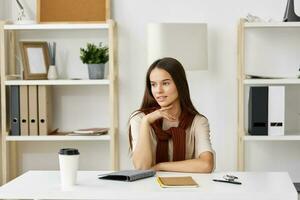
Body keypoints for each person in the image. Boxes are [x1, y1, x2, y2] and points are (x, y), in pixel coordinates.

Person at [129, 57, 214, 173]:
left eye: (165, 83)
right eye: (153, 84)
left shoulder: (198, 122)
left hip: (188, 188)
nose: (158, 90)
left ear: (180, 84)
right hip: (148, 188)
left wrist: (160, 166)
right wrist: (146, 122)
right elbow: (141, 167)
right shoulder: (140, 119)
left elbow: (206, 165)